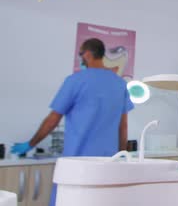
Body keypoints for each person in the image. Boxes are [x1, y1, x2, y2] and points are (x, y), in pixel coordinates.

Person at [11, 38, 134, 206]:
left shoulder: (75, 81)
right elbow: (123, 127)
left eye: (81, 54)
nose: (80, 58)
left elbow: (52, 120)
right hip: (108, 167)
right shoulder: (120, 84)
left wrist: (30, 144)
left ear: (88, 54)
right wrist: (121, 157)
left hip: (77, 167)